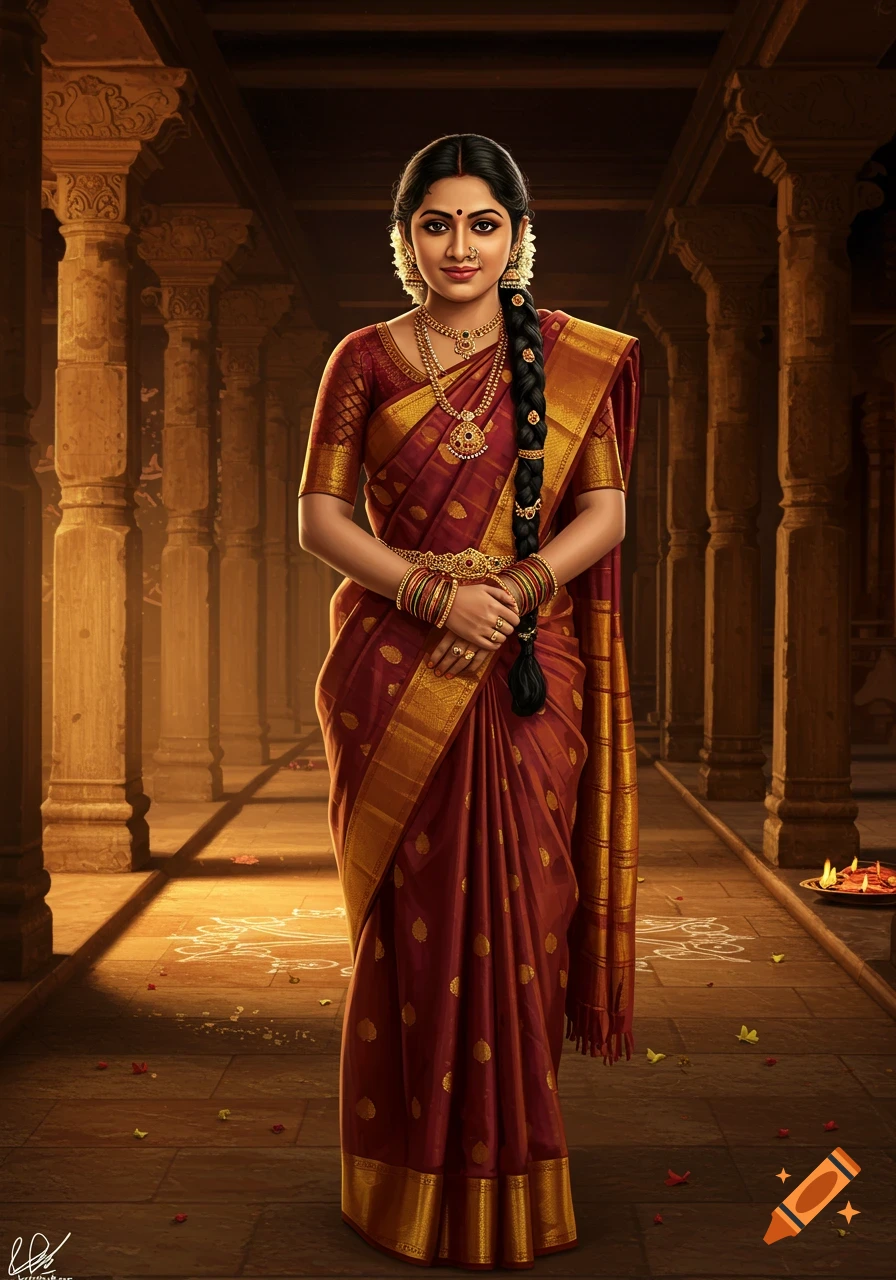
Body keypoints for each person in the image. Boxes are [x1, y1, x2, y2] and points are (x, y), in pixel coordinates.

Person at [297, 133, 640, 1270]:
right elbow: (321, 516)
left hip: (528, 665)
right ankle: (402, 1180)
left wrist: (523, 584)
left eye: (481, 224)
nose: (459, 245)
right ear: (404, 240)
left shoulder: (566, 357)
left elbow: (605, 513)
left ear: (517, 235)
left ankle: (510, 1164)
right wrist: (434, 591)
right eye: (436, 223)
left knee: (523, 924)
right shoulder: (363, 359)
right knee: (411, 929)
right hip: (399, 666)